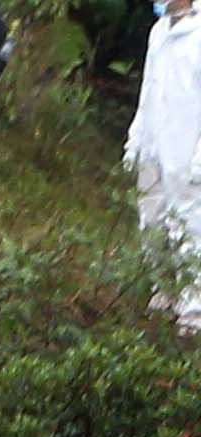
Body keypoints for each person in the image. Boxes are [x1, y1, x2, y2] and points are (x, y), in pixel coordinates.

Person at [136, 0, 201, 327]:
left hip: (188, 150)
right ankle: (165, 289)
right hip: (155, 145)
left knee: (190, 224)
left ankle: (194, 307)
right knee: (153, 217)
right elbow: (149, 89)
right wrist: (137, 138)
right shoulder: (159, 31)